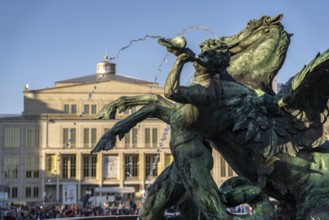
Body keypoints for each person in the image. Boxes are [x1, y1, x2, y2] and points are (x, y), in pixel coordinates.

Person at [139, 37, 230, 220]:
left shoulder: (202, 91)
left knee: (215, 215)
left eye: (206, 56)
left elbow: (170, 91)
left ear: (212, 66)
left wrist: (180, 60)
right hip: (185, 156)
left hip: (191, 157)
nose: (200, 57)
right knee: (151, 212)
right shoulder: (214, 81)